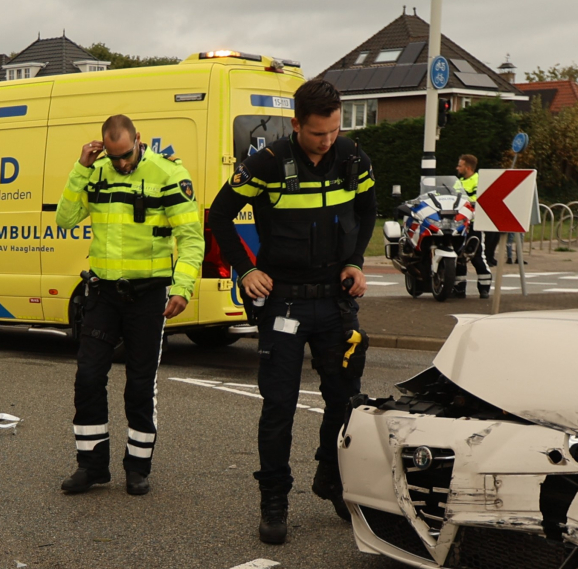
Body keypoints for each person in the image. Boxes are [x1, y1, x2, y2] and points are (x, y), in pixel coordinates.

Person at [207, 78, 376, 544]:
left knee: (346, 399)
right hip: (283, 300)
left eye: (334, 131)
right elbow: (220, 215)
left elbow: (367, 212)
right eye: (318, 133)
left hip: (335, 299)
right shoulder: (267, 162)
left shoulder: (353, 158)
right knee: (279, 405)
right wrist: (244, 269)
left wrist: (355, 262)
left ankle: (332, 479)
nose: (327, 142)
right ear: (297, 124)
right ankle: (274, 500)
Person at [57, 114, 202, 496]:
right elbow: (65, 219)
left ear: (139, 139)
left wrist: (182, 287)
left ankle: (137, 467)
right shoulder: (95, 171)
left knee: (139, 385)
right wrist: (81, 169)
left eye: (125, 154)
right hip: (104, 295)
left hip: (148, 296)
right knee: (88, 378)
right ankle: (91, 466)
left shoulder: (168, 174)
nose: (121, 163)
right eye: (113, 155)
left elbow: (191, 237)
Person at [455, 152, 495, 298]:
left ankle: (484, 288)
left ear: (468, 167)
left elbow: (478, 199)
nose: (457, 168)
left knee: (476, 256)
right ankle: (459, 289)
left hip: (473, 223)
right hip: (458, 224)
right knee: (458, 256)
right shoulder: (457, 181)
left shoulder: (479, 181)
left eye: (460, 165)